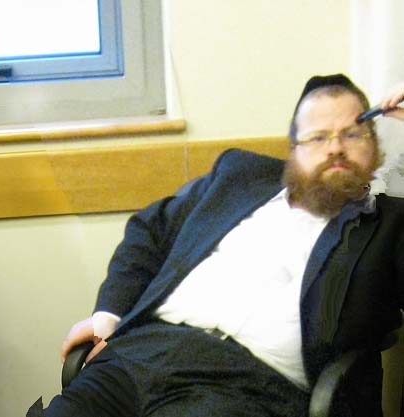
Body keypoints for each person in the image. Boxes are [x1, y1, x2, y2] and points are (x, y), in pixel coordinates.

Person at [36, 74, 404, 417]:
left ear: (374, 146)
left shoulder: (389, 224)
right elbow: (149, 230)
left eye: (352, 135)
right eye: (318, 138)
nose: (335, 148)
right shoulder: (239, 176)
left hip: (248, 386)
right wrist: (108, 316)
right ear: (294, 150)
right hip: (141, 356)